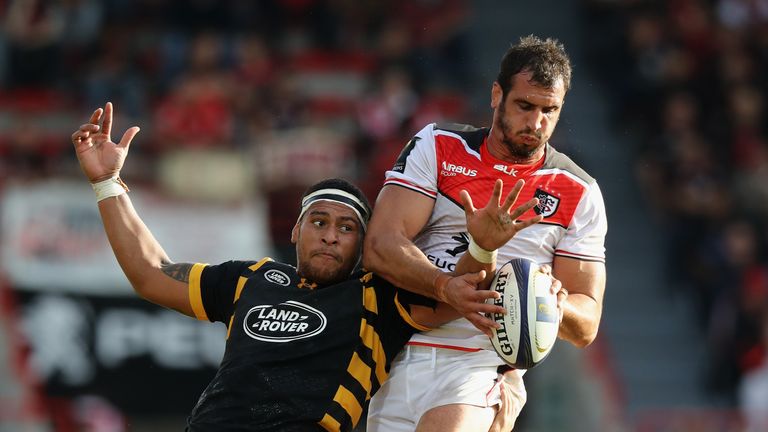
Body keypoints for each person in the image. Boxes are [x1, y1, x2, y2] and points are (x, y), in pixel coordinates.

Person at [70, 103, 544, 431]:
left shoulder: (381, 298)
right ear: (295, 231)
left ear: (362, 245)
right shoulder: (250, 280)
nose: (331, 234)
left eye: (347, 227)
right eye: (319, 221)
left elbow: (454, 293)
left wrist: (481, 248)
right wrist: (109, 184)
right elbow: (152, 274)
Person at [364, 35, 608, 431]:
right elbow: (380, 246)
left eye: (550, 110)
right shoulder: (438, 146)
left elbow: (587, 324)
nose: (536, 123)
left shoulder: (577, 190)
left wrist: (548, 302)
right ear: (497, 95)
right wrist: (445, 286)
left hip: (482, 360)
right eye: (525, 106)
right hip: (400, 345)